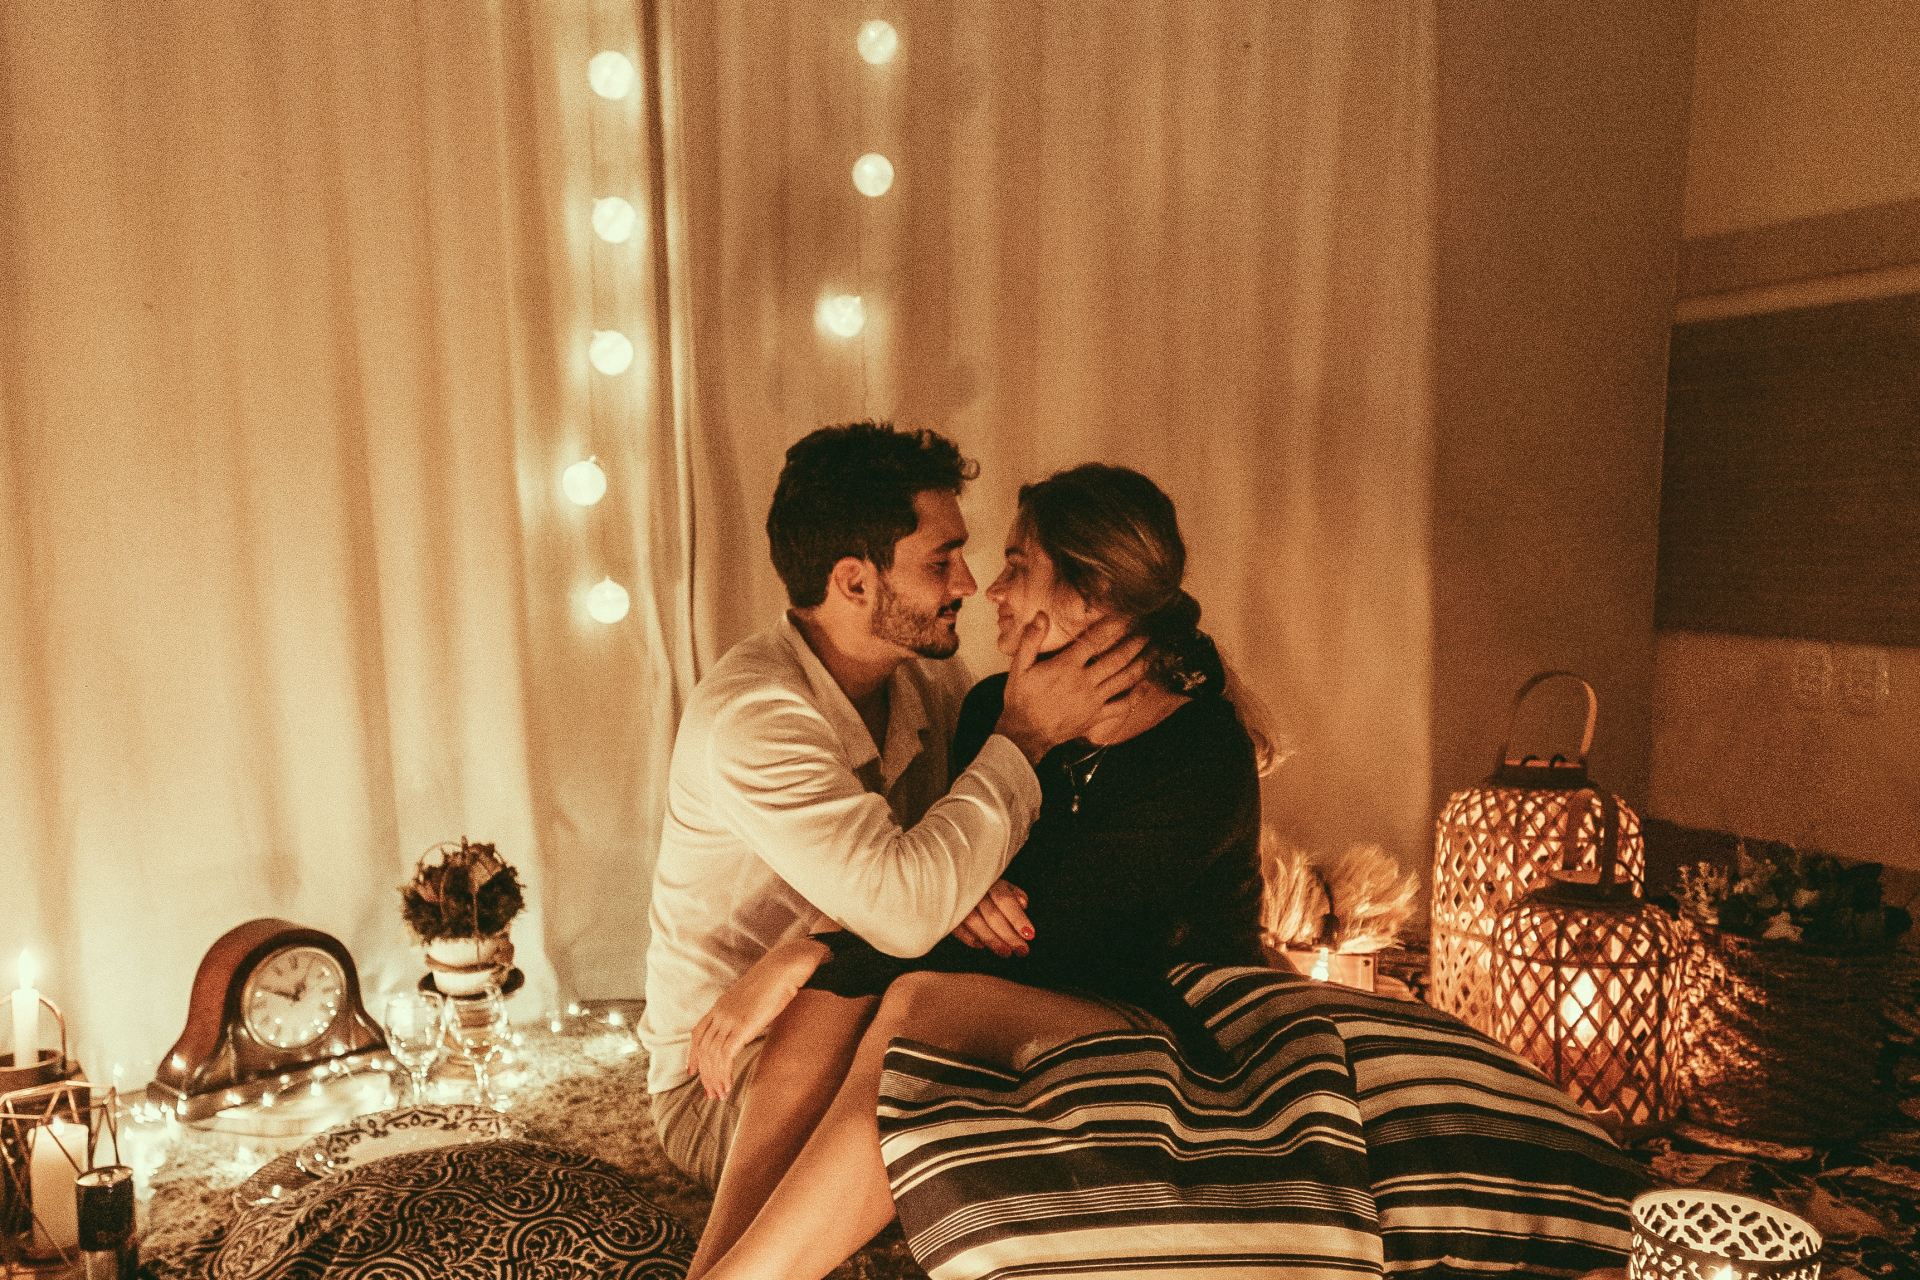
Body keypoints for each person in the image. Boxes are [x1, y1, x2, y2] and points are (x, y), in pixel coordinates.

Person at [683, 463, 1264, 1280]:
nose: (987, 587)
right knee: (833, 1000)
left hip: (1162, 1026)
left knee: (919, 997)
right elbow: (960, 884)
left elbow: (1056, 937)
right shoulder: (995, 707)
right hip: (1025, 992)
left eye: (1018, 566)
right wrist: (901, 926)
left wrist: (819, 941)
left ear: (1090, 595)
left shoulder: (1200, 752)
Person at [638, 424, 1147, 1191]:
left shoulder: (924, 679)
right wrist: (1023, 736)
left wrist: (827, 936)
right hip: (726, 1075)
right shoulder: (755, 718)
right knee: (964, 1132)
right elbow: (911, 907)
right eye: (941, 560)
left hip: (862, 1005)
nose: (968, 584)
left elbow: (953, 859)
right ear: (854, 582)